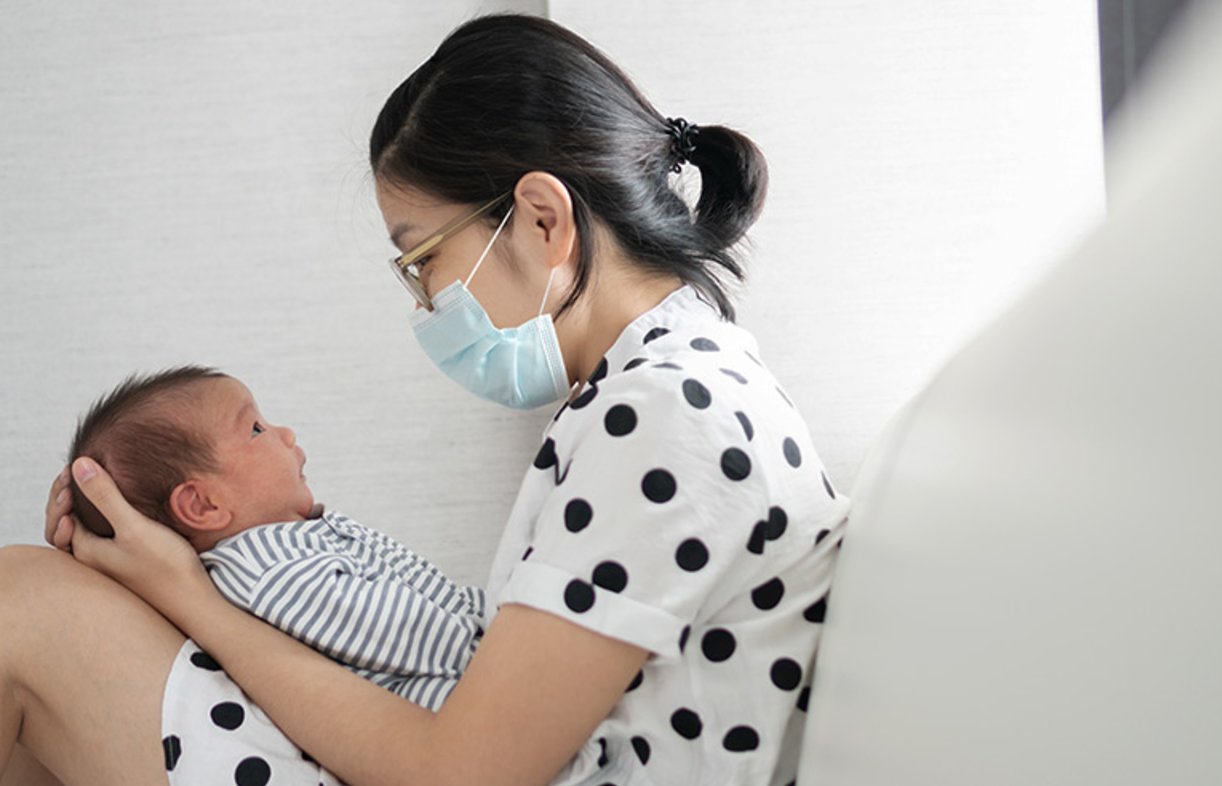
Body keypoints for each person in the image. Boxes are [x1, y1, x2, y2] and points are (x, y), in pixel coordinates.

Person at [2, 13, 848, 786]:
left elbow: (460, 774)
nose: (424, 302)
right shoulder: (662, 387)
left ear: (542, 220)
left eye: (423, 259)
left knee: (19, 606)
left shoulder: (668, 413)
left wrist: (187, 595)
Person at [67, 365, 484, 727]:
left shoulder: (291, 542)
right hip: (453, 702)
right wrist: (506, 640)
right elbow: (416, 639)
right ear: (203, 504)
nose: (285, 434)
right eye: (255, 429)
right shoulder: (267, 571)